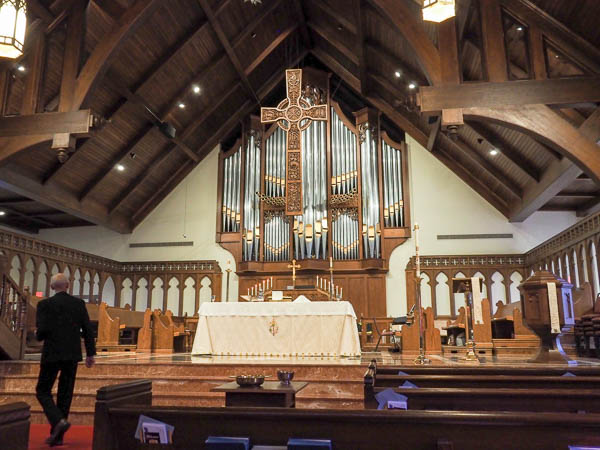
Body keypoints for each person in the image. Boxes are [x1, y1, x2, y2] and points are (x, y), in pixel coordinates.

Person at [35, 273, 96, 446]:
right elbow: (87, 330)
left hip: (52, 354)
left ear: (52, 287)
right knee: (65, 393)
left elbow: (42, 332)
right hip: (71, 354)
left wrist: (37, 335)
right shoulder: (78, 304)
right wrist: (90, 354)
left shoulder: (44, 304)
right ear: (68, 286)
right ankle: (59, 435)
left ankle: (58, 423)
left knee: (42, 390)